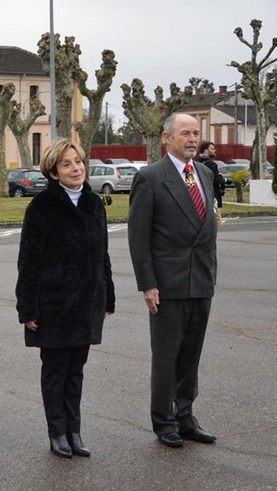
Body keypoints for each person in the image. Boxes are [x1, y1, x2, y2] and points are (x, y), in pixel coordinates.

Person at [15, 138, 115, 459]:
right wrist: (27, 308)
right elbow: (28, 263)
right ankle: (57, 432)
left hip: (86, 303)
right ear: (54, 172)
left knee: (77, 370)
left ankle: (74, 430)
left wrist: (107, 296)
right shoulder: (41, 207)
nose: (76, 169)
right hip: (53, 306)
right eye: (67, 164)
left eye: (79, 162)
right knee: (56, 371)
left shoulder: (94, 203)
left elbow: (103, 256)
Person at [128, 113, 218, 448]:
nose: (192, 139)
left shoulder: (205, 174)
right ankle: (163, 422)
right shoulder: (151, 177)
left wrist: (211, 271)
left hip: (201, 281)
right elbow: (139, 238)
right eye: (185, 133)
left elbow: (207, 229)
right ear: (167, 138)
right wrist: (147, 284)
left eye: (196, 133)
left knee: (190, 356)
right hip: (167, 284)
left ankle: (185, 416)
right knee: (166, 356)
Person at [197, 141, 225, 209]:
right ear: (206, 151)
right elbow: (216, 181)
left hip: (200, 198)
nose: (214, 151)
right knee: (217, 219)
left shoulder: (197, 163)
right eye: (212, 149)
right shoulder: (212, 164)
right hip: (212, 198)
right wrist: (222, 179)